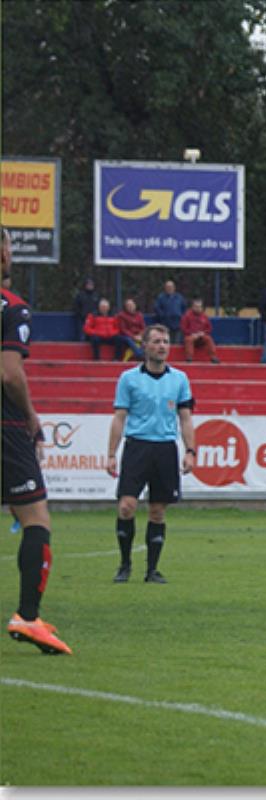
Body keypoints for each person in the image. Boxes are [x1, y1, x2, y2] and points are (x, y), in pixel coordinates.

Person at [1, 226, 72, 654]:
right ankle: (28, 617)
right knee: (36, 519)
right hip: (5, 427)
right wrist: (30, 417)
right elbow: (10, 373)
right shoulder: (12, 307)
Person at [105, 324, 196, 584]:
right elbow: (119, 417)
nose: (162, 346)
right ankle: (125, 565)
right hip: (137, 447)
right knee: (126, 506)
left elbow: (186, 418)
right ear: (144, 346)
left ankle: (152, 570)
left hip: (165, 449)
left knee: (157, 511)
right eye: (156, 341)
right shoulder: (128, 379)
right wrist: (111, 454)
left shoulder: (180, 379)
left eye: (165, 341)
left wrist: (190, 451)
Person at [180, 298, 220, 363]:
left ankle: (213, 357)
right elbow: (183, 328)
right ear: (192, 307)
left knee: (208, 338)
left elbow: (209, 328)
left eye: (199, 307)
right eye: (196, 306)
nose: (198, 308)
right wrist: (192, 334)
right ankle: (189, 357)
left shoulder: (204, 316)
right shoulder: (186, 316)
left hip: (201, 336)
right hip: (191, 336)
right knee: (189, 339)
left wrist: (203, 333)